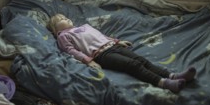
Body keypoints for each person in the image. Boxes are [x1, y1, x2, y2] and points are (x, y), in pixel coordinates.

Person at [48, 14, 196, 93]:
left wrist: (117, 41)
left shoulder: (85, 26)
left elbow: (102, 36)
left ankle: (173, 75)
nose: (66, 18)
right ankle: (164, 83)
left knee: (141, 59)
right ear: (56, 30)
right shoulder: (63, 36)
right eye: (61, 19)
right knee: (132, 65)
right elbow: (71, 50)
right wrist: (88, 60)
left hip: (112, 46)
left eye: (65, 17)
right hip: (101, 55)